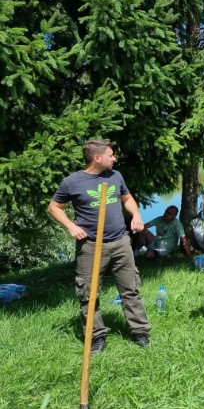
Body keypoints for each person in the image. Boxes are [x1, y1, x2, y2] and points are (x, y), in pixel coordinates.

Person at [48, 139, 151, 354]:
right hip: (91, 246)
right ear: (97, 158)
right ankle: (96, 337)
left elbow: (127, 197)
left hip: (121, 241)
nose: (114, 158)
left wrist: (136, 214)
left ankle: (140, 332)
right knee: (89, 293)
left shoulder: (115, 176)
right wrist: (70, 226)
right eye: (111, 155)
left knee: (130, 288)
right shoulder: (72, 182)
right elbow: (54, 207)